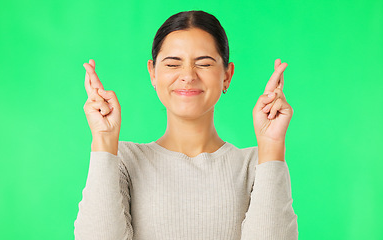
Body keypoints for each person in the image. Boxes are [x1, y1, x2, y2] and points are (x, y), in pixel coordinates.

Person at [74, 10, 298, 240]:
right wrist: (103, 139)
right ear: (153, 73)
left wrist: (272, 144)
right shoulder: (123, 160)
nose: (188, 76)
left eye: (204, 63)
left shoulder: (256, 165)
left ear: (227, 75)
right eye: (173, 64)